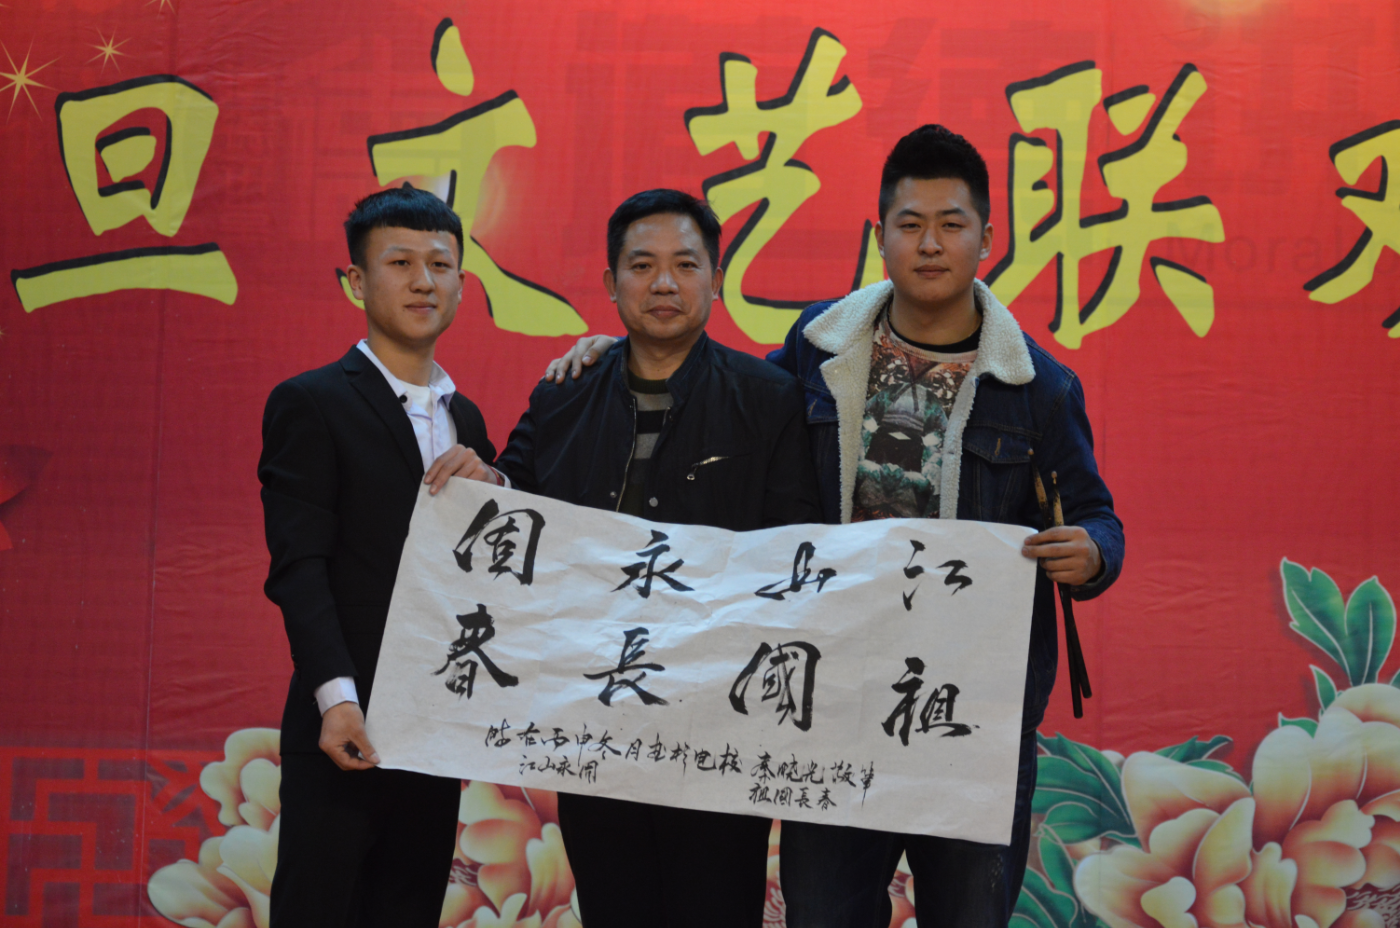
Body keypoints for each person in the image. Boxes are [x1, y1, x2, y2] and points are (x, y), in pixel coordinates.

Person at [543, 126, 1125, 928]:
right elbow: (724, 397)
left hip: (969, 713)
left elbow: (1095, 515)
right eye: (910, 224)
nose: (929, 244)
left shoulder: (1038, 386)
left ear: (988, 239)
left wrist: (1092, 552)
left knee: (968, 913)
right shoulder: (819, 346)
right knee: (823, 911)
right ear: (880, 235)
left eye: (951, 224)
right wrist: (627, 353)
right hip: (831, 698)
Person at [459, 188, 822, 927]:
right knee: (616, 906)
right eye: (642, 265)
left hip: (715, 721)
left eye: (685, 265)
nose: (664, 283)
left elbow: (793, 550)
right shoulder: (563, 395)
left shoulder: (769, 399)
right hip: (596, 713)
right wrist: (481, 483)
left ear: (716, 280)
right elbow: (515, 507)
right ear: (610, 282)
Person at [259, 184, 502, 928]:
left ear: (462, 282)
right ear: (357, 282)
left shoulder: (466, 420)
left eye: (440, 264)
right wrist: (337, 700)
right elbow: (299, 566)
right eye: (400, 263)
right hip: (345, 727)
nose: (423, 281)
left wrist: (497, 485)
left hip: (434, 730)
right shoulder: (311, 402)